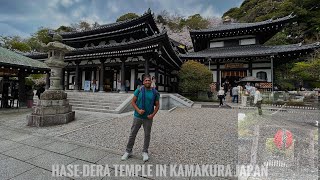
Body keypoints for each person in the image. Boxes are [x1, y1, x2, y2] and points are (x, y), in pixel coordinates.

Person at [121, 75, 160, 162]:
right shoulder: (139, 90)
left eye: (149, 80)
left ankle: (145, 152)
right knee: (132, 134)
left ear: (151, 82)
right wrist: (138, 110)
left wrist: (153, 115)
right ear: (143, 82)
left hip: (148, 117)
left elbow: (157, 105)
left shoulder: (155, 92)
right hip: (137, 116)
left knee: (147, 135)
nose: (147, 82)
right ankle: (128, 151)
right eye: (146, 80)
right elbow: (133, 102)